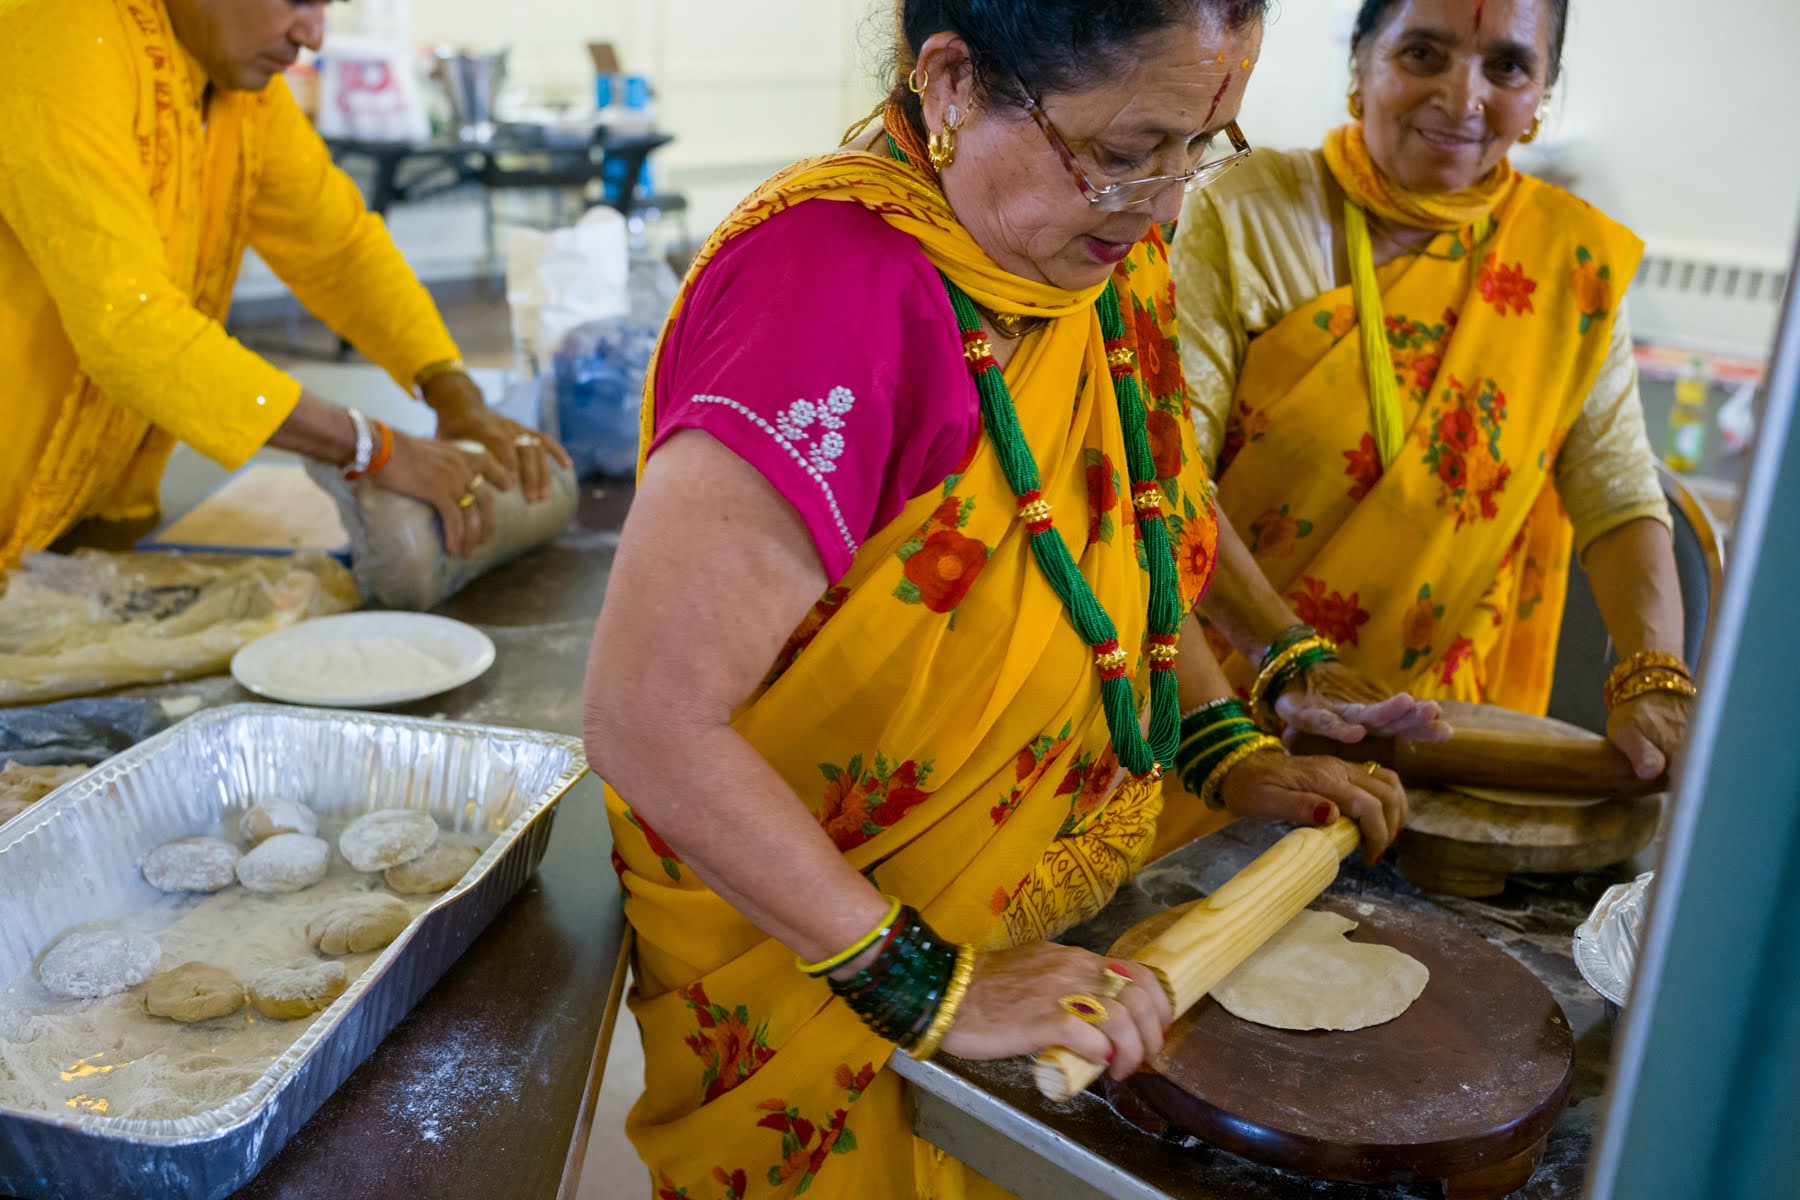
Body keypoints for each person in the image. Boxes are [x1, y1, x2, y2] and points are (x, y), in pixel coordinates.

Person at [582, 3, 1414, 1196]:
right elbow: (647, 719)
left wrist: (1223, 743)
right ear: (954, 81)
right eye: (1129, 152)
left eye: (1205, 144)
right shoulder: (827, 297)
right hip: (840, 960)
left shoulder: (1089, 249)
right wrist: (924, 982)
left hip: (1064, 911)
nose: (1169, 201)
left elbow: (1133, 512)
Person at [1163, 0, 1693, 853]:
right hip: (1225, 706)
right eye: (1424, 52)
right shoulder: (1246, 214)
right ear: (1361, 65)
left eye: (1508, 67)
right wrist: (1287, 663)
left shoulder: (1571, 263)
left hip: (1443, 741)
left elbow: (1617, 490)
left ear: (1542, 96)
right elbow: (1164, 470)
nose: (1463, 96)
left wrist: (1653, 672)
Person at [0, 0, 570, 572]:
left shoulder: (238, 90)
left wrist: (454, 395)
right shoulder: (55, 31)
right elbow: (129, 323)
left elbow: (339, 251)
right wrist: (371, 446)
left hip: (82, 516)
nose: (314, 36)